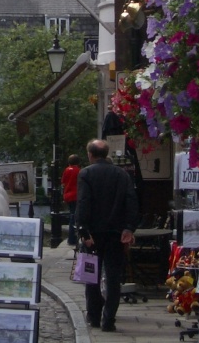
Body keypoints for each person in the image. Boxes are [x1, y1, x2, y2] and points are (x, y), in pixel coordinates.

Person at [75, 139, 139, 333]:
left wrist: (83, 231)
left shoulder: (86, 173)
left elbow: (83, 203)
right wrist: (129, 228)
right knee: (113, 277)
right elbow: (131, 202)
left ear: (90, 155)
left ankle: (94, 316)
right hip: (116, 233)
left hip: (93, 233)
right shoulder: (122, 175)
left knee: (91, 275)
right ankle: (109, 319)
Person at [61, 154, 82, 245]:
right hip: (76, 195)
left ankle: (71, 238)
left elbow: (63, 182)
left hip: (68, 195)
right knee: (74, 216)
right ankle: (72, 238)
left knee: (71, 215)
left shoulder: (66, 170)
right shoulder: (79, 171)